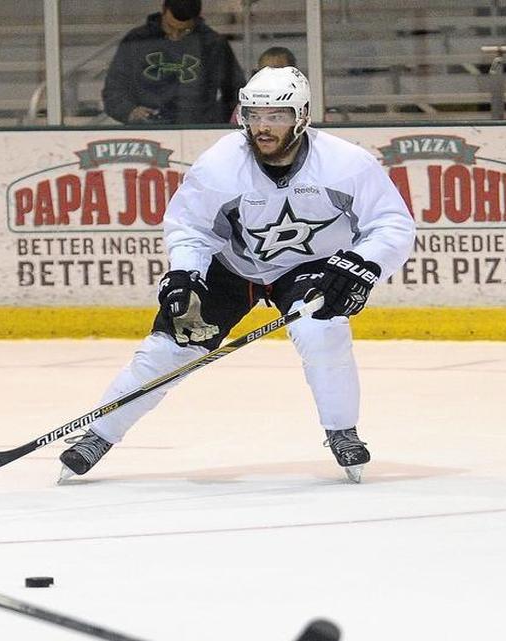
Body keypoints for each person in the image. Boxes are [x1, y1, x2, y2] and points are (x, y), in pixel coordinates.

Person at [61, 67, 415, 484]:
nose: (262, 127)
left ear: (301, 116)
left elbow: (392, 224)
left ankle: (342, 430)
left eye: (276, 116)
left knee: (322, 331)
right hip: (232, 266)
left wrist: (363, 264)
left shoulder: (345, 165)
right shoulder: (220, 165)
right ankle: (99, 435)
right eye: (254, 115)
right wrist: (186, 276)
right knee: (172, 347)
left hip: (309, 267)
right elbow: (191, 227)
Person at [101, 0, 245, 125]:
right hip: (144, 129)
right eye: (170, 28)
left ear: (196, 19)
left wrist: (213, 121)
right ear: (163, 11)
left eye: (185, 31)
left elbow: (235, 92)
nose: (175, 36)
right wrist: (130, 112)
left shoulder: (211, 44)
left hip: (197, 131)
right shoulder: (137, 40)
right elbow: (114, 89)